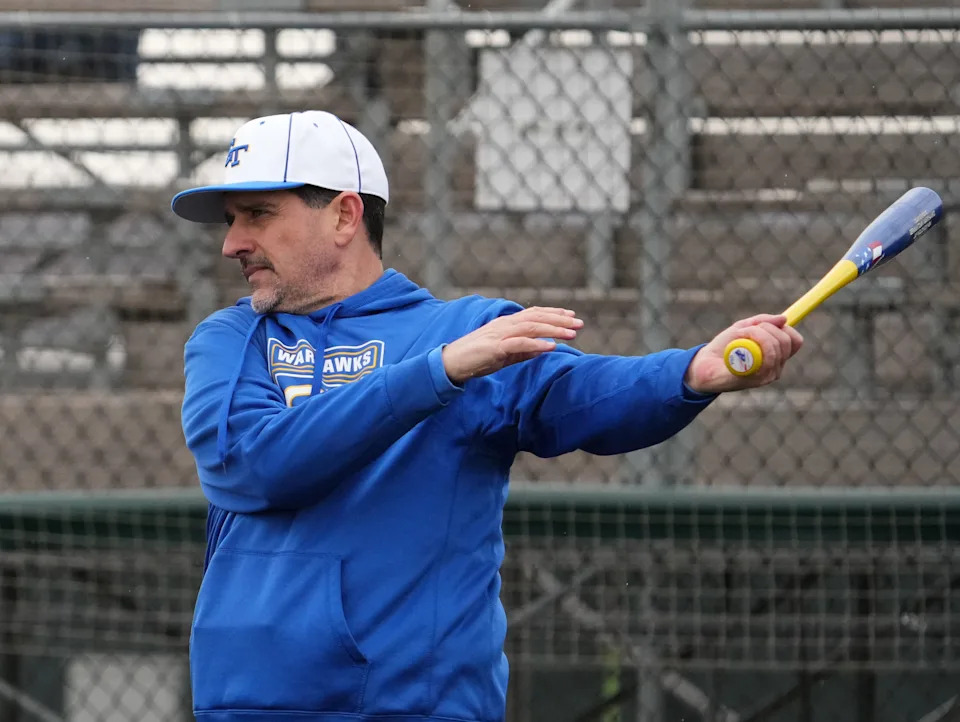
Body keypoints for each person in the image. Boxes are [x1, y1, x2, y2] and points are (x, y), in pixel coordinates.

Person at [173, 110, 802, 722]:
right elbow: (252, 466)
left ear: (344, 215)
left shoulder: (466, 332)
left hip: (412, 706)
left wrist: (691, 373)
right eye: (231, 221)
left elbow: (585, 396)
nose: (233, 243)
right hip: (242, 702)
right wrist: (437, 372)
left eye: (258, 214)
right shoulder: (231, 338)